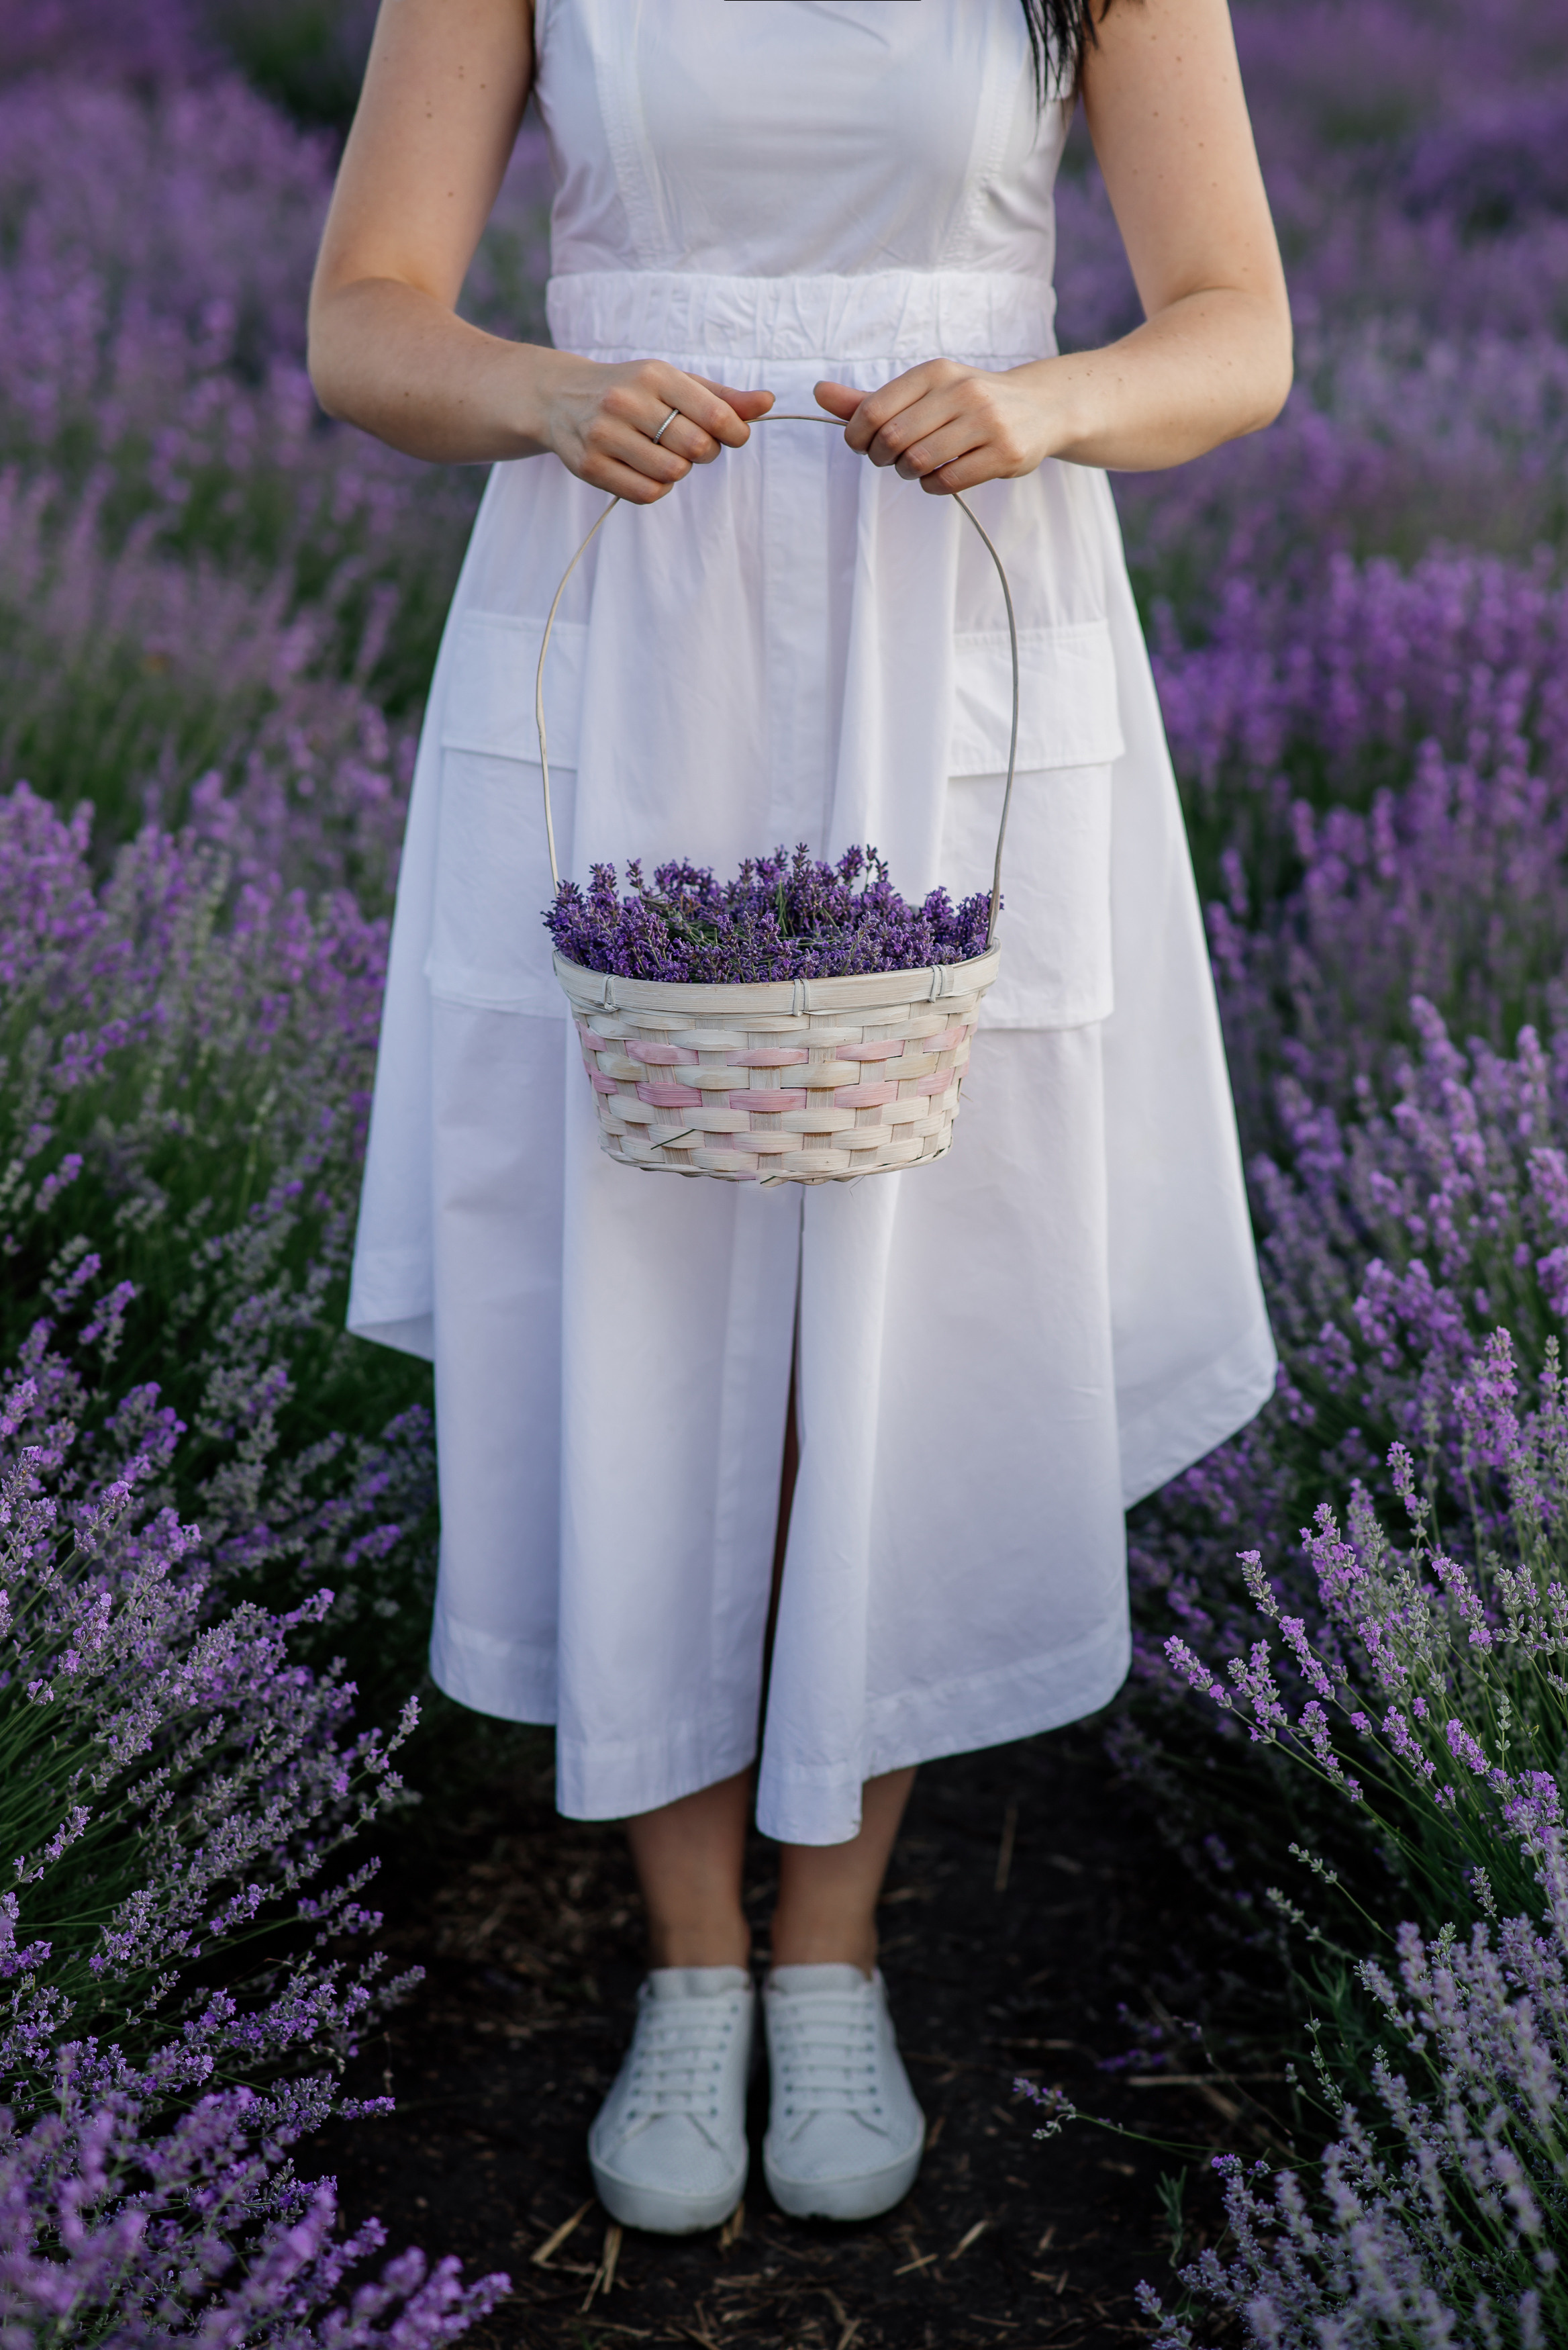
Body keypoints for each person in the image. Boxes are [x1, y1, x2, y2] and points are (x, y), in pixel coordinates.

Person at [309, 0, 1289, 2237]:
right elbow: (362, 318)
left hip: (954, 611)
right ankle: (687, 1958)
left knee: (913, 1283)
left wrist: (1042, 402)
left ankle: (832, 1946)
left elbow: (1238, 331)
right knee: (637, 1265)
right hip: (621, 617)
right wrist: (544, 392)